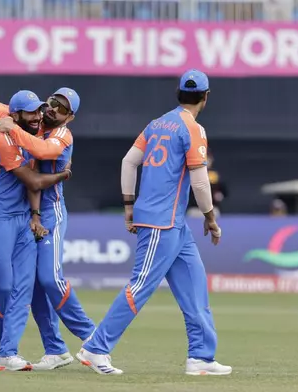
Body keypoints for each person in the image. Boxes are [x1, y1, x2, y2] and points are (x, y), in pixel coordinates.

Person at [76, 70, 232, 376]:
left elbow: (129, 161)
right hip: (162, 223)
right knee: (140, 286)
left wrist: (128, 205)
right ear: (206, 96)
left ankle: (200, 356)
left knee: (194, 284)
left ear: (177, 93)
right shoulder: (193, 128)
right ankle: (96, 348)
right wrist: (211, 218)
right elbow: (200, 181)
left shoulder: (156, 124)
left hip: (172, 223)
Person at [0, 88, 95, 371]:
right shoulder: (34, 124)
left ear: (69, 117)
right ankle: (56, 349)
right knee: (35, 286)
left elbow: (42, 151)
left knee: (50, 278)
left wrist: (12, 127)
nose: (53, 109)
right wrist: (10, 120)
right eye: (52, 102)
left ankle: (95, 339)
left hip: (52, 213)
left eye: (62, 108)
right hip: (31, 212)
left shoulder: (62, 134)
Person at [0, 90, 72, 371]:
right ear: (15, 114)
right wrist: (62, 175)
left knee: (23, 288)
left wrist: (33, 215)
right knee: (3, 287)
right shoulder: (2, 138)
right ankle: (2, 348)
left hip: (22, 220)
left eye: (38, 111)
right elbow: (33, 180)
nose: (37, 116)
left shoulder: (26, 130)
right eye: (30, 112)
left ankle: (7, 353)